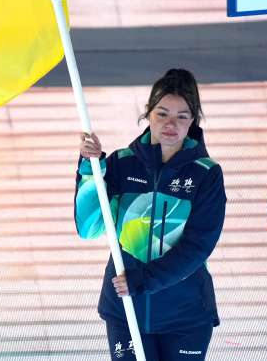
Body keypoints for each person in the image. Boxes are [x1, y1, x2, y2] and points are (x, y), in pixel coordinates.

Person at [75, 68, 226, 360]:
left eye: (182, 116)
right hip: (126, 310)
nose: (171, 124)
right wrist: (90, 170)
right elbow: (88, 226)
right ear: (148, 114)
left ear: (193, 120)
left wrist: (144, 280)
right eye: (162, 113)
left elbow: (198, 247)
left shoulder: (206, 174)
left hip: (185, 316)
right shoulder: (122, 163)